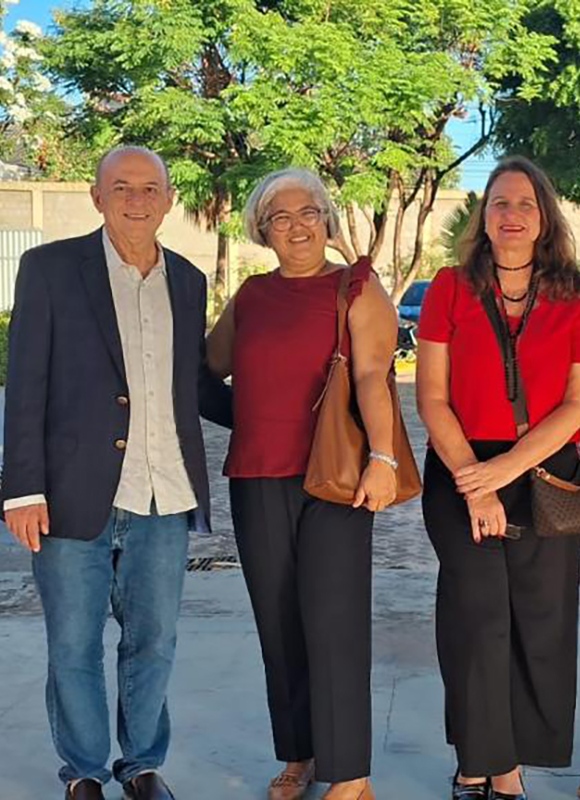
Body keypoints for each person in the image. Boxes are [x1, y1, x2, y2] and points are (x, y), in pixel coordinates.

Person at [0, 146, 231, 800]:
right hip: (71, 496)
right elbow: (26, 383)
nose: (136, 199)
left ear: (168, 198)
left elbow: (198, 385)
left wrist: (280, 416)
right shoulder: (48, 270)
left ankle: (143, 766)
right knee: (73, 648)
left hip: (166, 497)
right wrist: (23, 486)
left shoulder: (187, 279)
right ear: (97, 197)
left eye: (149, 187)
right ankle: (86, 774)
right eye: (121, 187)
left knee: (153, 645)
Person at [416, 156, 580, 800]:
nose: (513, 215)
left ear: (545, 216)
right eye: (500, 203)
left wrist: (506, 472)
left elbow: (579, 404)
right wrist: (479, 481)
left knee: (538, 619)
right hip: (460, 466)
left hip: (546, 472)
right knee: (476, 618)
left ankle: (510, 765)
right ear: (484, 217)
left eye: (526, 203)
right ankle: (476, 761)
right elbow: (432, 398)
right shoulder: (448, 288)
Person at [205, 168, 398, 800]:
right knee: (279, 623)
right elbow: (209, 369)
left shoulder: (357, 289)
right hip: (257, 474)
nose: (296, 227)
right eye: (280, 218)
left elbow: (373, 377)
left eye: (308, 213)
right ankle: (299, 754)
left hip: (337, 477)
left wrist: (385, 458)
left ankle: (351, 773)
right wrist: (250, 413)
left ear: (327, 219)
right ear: (263, 230)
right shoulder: (253, 297)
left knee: (335, 622)